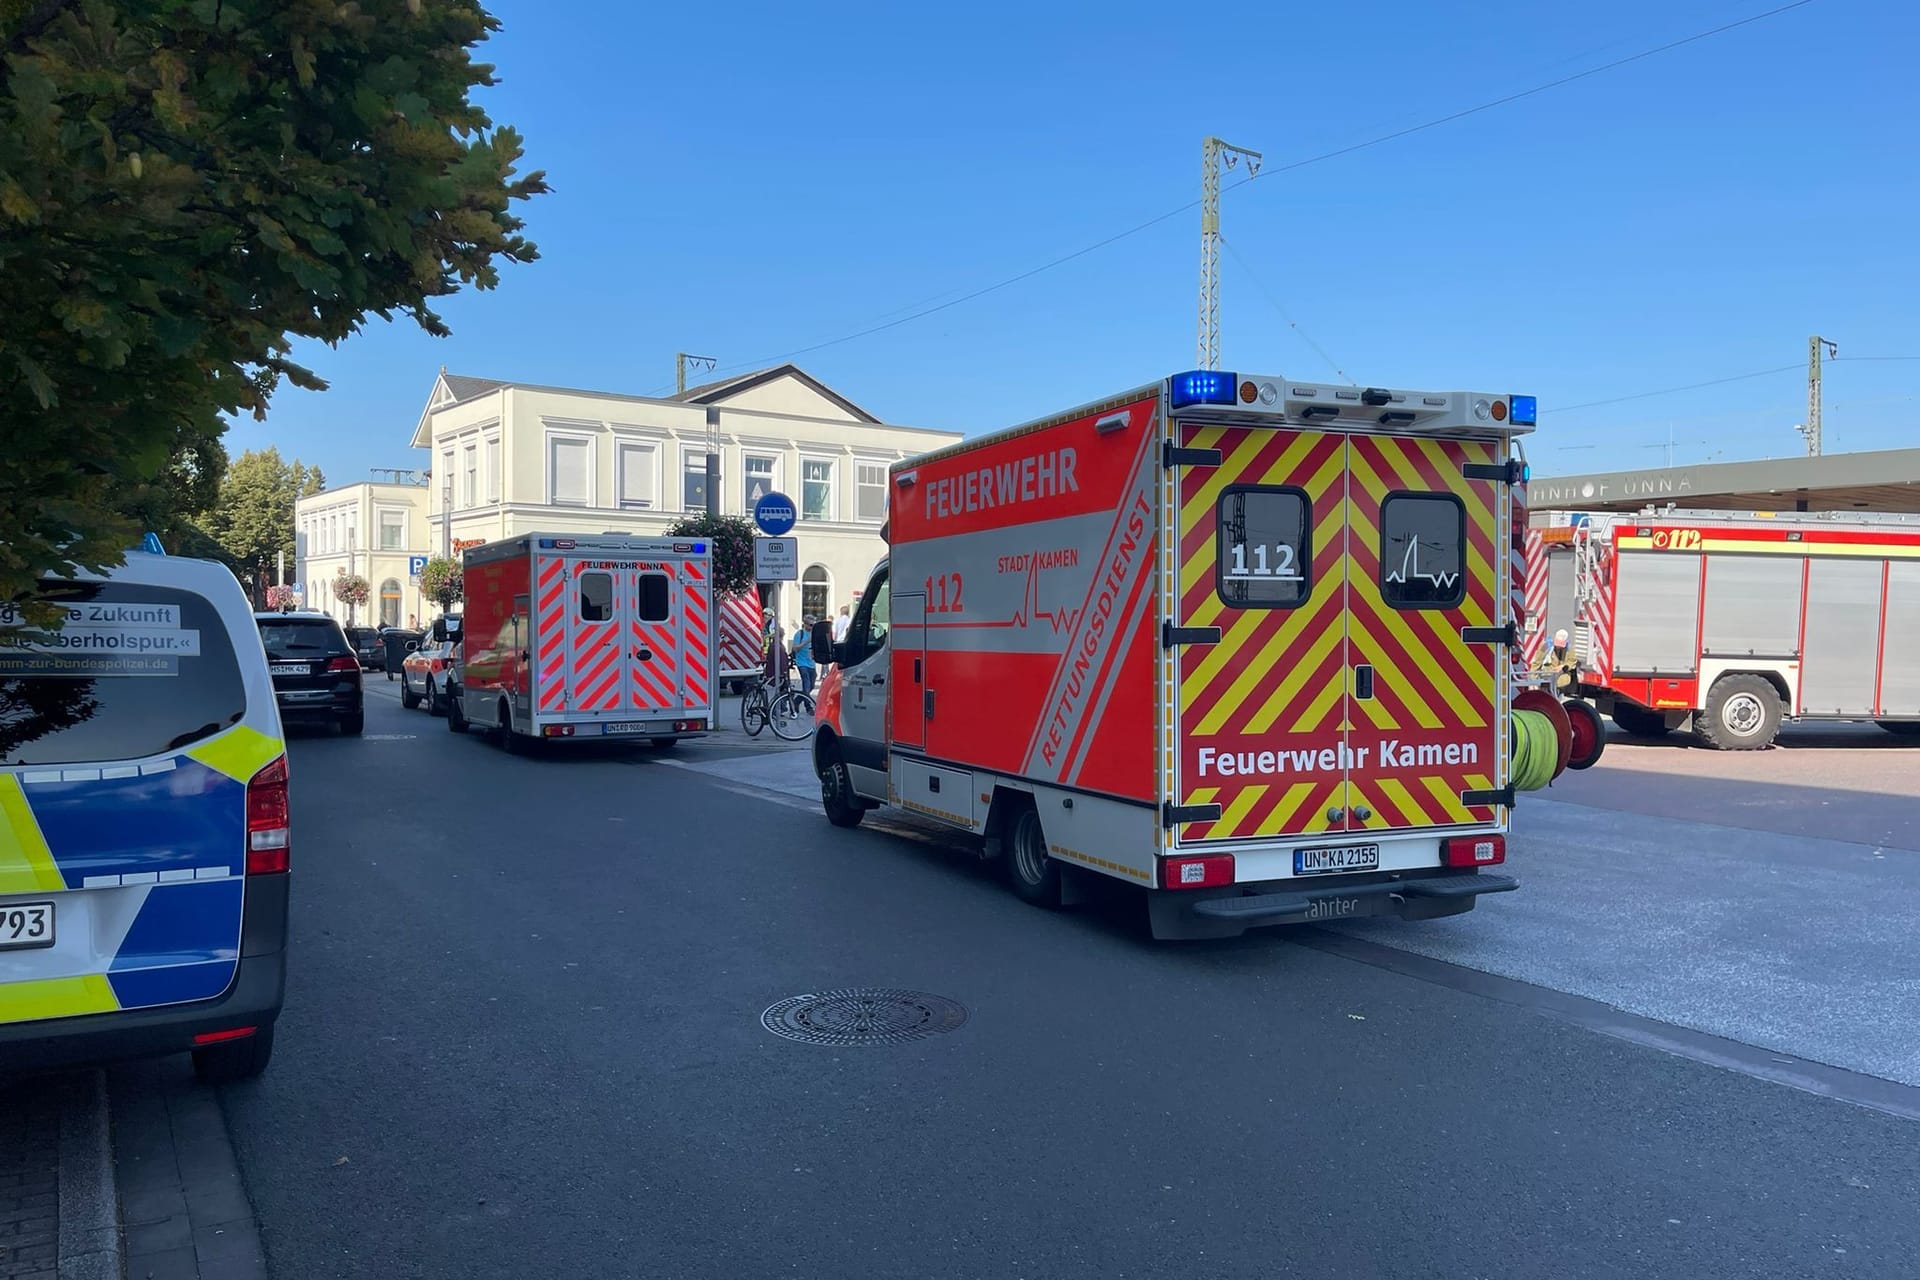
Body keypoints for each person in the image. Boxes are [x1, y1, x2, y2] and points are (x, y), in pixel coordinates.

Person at [1537, 628, 1578, 693]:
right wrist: (1532, 679)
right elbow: (1537, 662)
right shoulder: (1545, 645)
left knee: (1560, 683)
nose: (1558, 647)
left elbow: (1572, 662)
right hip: (1546, 673)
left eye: (1561, 644)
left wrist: (1563, 667)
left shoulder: (1570, 649)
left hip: (1561, 675)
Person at [791, 616, 817, 695]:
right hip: (802, 662)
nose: (812, 627)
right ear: (805, 624)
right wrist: (806, 642)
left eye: (813, 625)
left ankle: (798, 701)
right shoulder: (799, 634)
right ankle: (808, 706)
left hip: (811, 663)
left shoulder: (814, 634)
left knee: (812, 685)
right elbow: (795, 648)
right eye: (810, 625)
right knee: (806, 684)